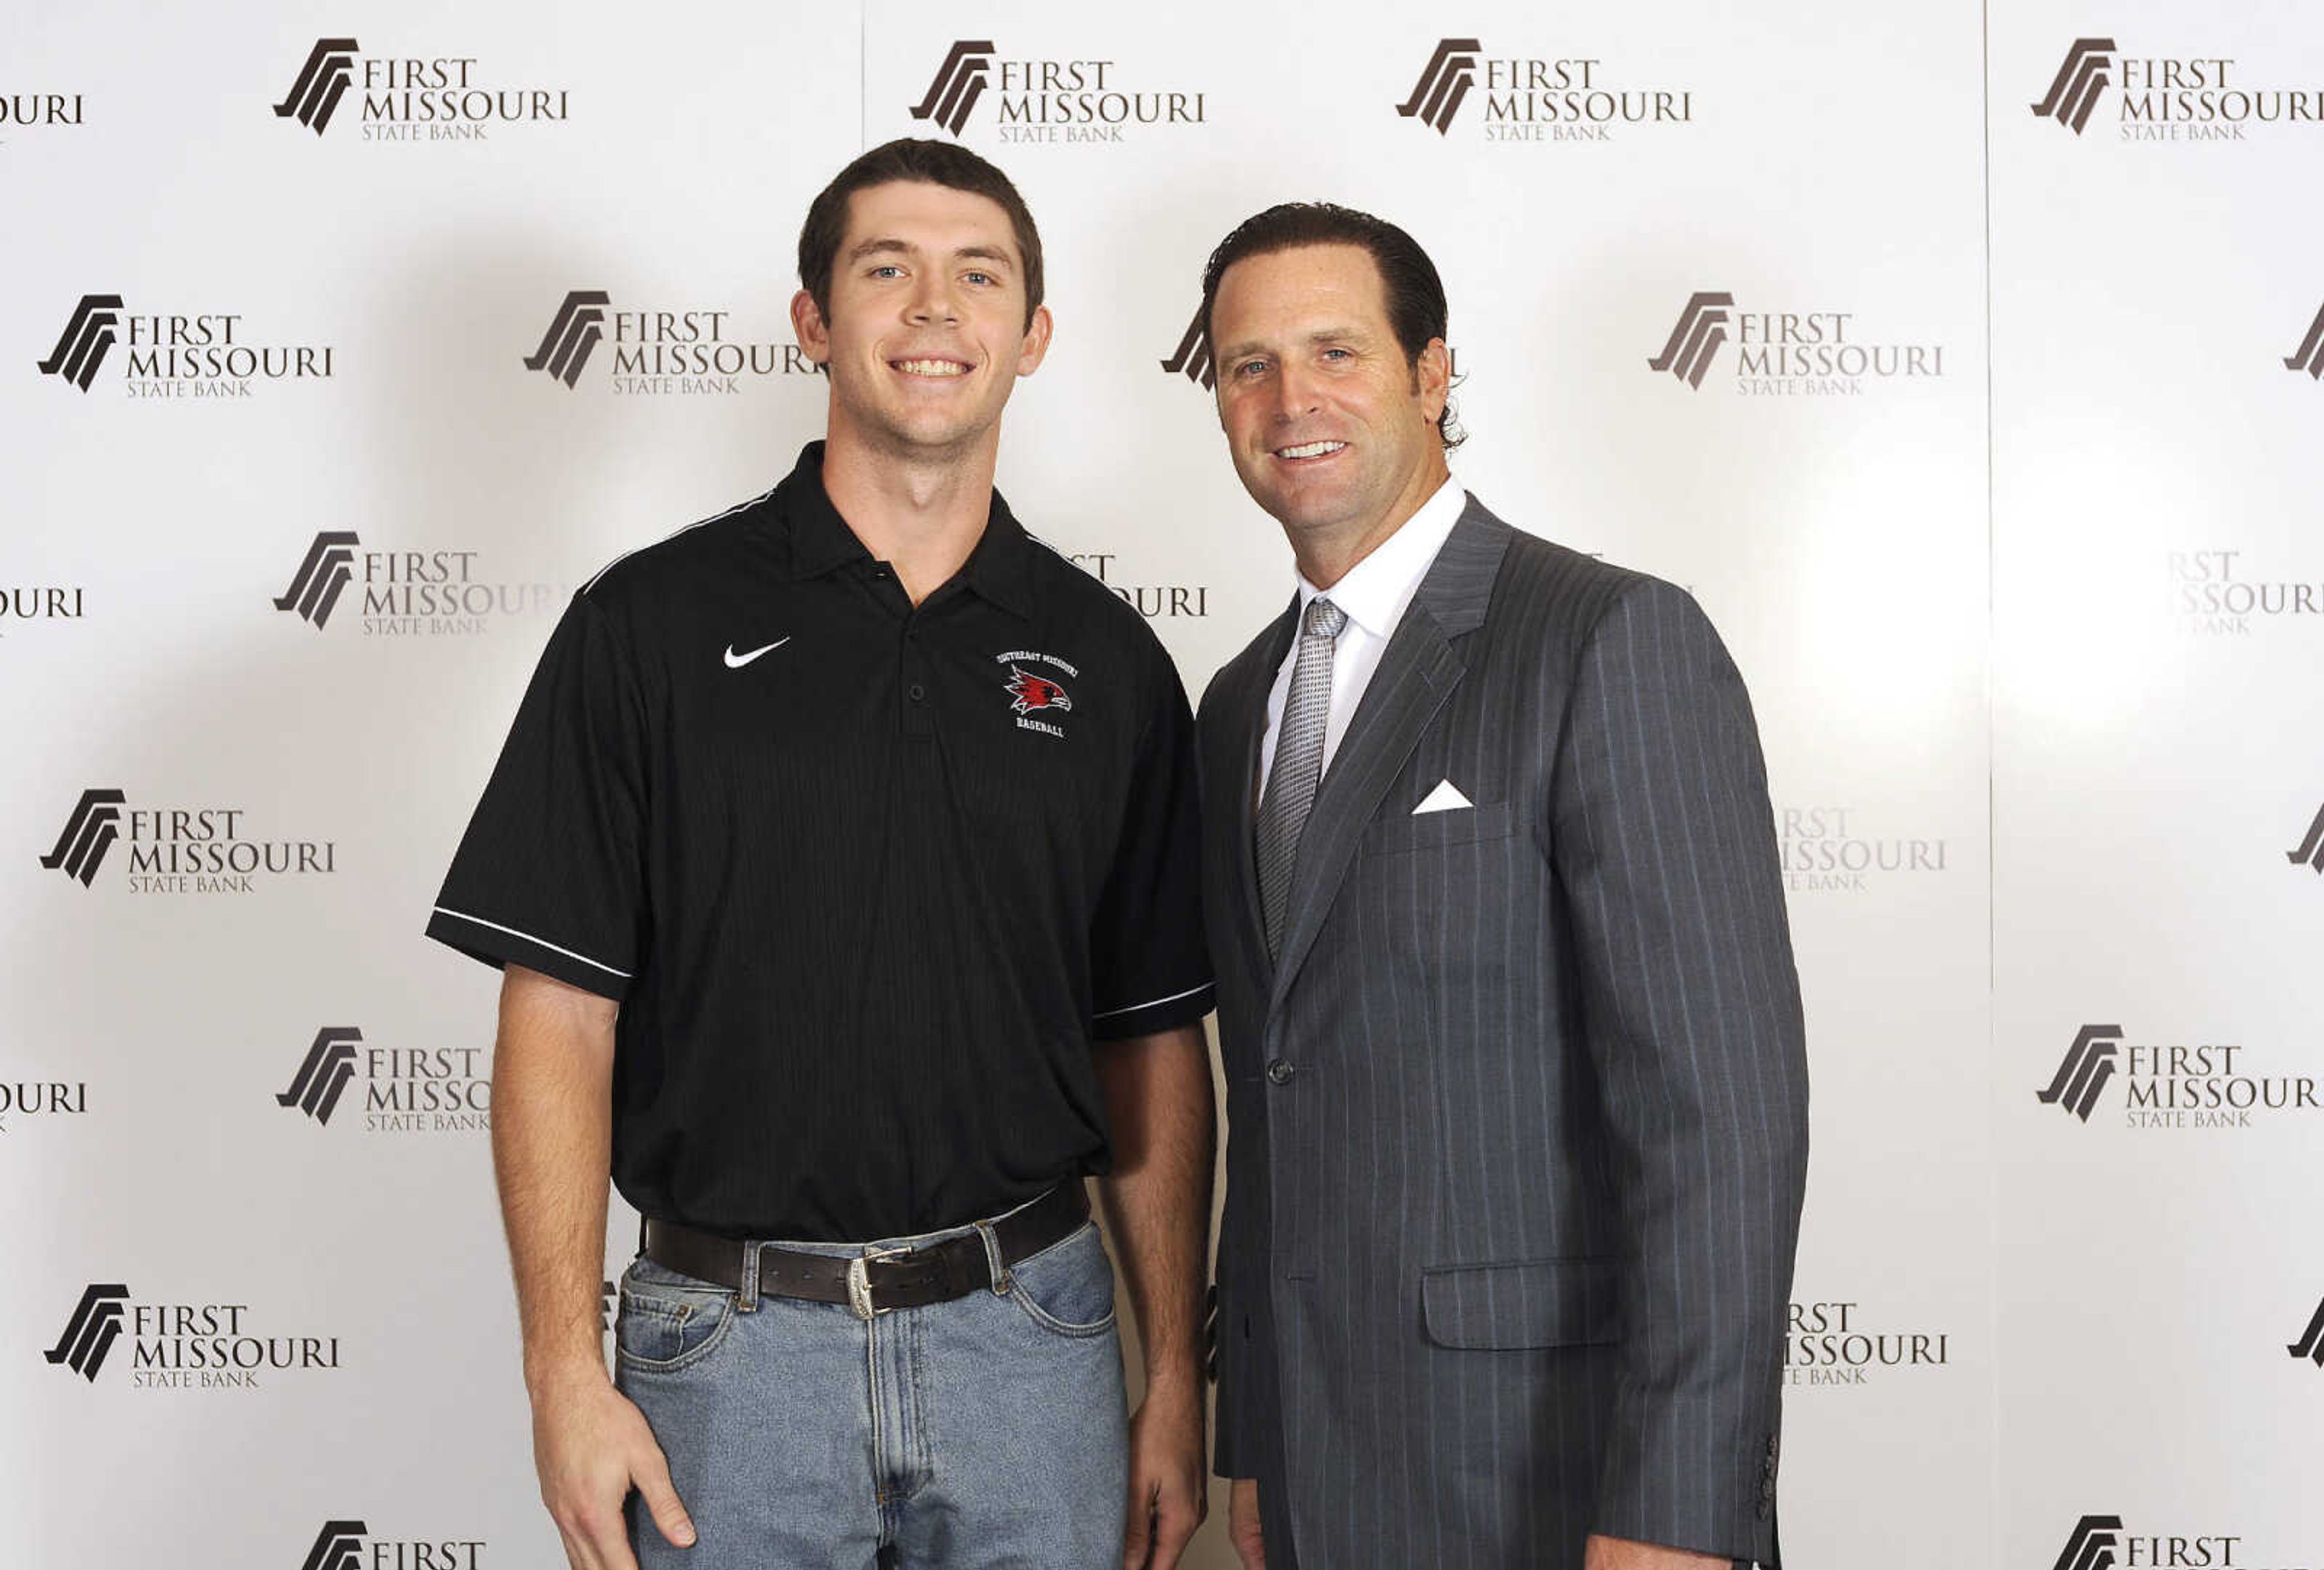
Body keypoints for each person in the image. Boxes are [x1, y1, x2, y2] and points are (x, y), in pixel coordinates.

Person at [426, 139, 1216, 1570]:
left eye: (979, 276)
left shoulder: (1109, 664)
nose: (934, 309)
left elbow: (1152, 1040)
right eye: (885, 270)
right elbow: (559, 1015)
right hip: (726, 1358)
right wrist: (559, 1368)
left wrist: (1175, 1378)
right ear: (813, 320)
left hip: (1037, 1346)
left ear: (1032, 338)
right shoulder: (647, 630)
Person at [1193, 202, 1810, 1570]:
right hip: (1314, 1479)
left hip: (1553, 1479)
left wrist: (1679, 1510)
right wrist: (1259, 1439)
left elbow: (1721, 1125)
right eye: (1249, 365)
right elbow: (1277, 1089)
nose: (1292, 398)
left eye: (1337, 351)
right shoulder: (1238, 704)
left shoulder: (1610, 640)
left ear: (1432, 374)